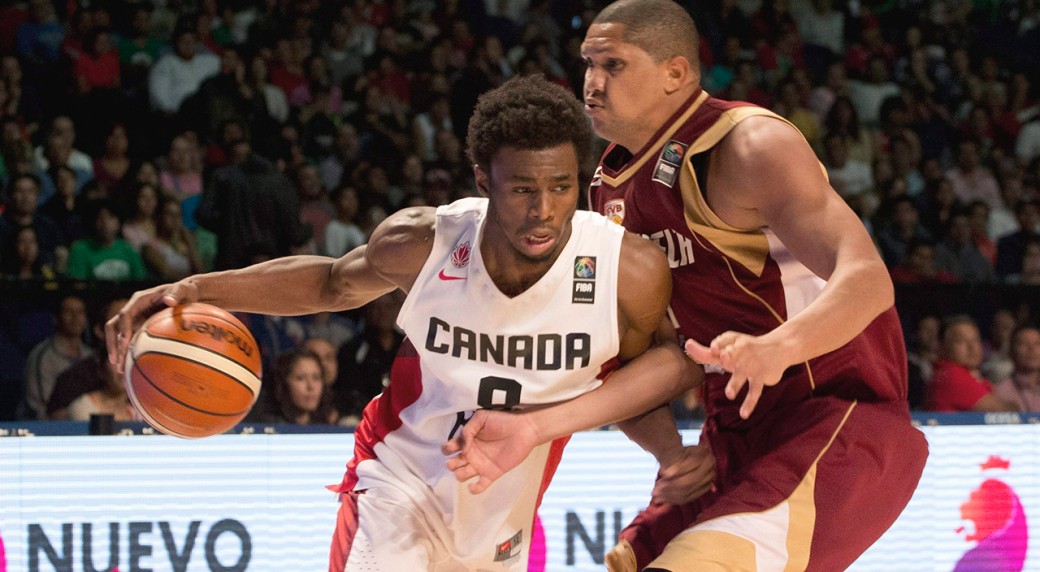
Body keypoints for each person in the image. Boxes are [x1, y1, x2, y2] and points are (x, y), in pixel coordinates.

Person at [105, 74, 697, 571]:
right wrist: (192, 287)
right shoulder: (425, 244)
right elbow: (330, 282)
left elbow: (641, 379)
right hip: (396, 482)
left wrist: (672, 457)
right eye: (522, 189)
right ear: (483, 181)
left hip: (501, 514)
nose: (543, 210)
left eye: (561, 187)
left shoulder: (627, 270)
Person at [444, 3, 929, 571]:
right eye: (588, 64)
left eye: (614, 66)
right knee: (627, 560)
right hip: (733, 439)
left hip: (837, 421)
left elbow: (869, 279)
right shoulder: (606, 190)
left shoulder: (746, 145)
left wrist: (779, 347)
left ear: (675, 73)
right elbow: (661, 360)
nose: (592, 84)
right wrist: (662, 451)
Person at [926, 315, 1016, 412]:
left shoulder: (971, 374)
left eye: (975, 340)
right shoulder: (950, 375)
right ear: (943, 346)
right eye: (960, 341)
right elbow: (1004, 411)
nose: (972, 347)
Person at [988, 325, 1040, 412]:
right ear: (1011, 351)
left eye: (1037, 343)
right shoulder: (1000, 392)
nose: (1032, 349)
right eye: (1023, 343)